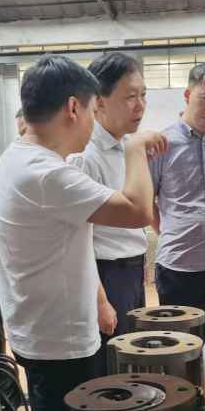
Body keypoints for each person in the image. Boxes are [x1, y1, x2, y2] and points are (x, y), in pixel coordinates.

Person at [0, 55, 166, 411]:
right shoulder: (46, 173)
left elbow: (70, 241)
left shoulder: (19, 157)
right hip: (57, 341)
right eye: (93, 110)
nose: (94, 122)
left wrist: (98, 300)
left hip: (43, 330)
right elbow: (137, 211)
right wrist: (134, 150)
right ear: (73, 107)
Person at [68, 53, 149, 375]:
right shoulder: (84, 157)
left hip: (131, 272)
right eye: (130, 97)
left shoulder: (128, 146)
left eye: (143, 95)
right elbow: (78, 240)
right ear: (99, 102)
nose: (140, 105)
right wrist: (100, 300)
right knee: (110, 370)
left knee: (132, 362)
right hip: (106, 276)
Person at [150, 62, 205, 338]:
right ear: (188, 95)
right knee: (180, 345)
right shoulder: (162, 143)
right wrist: (170, 231)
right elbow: (148, 201)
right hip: (177, 266)